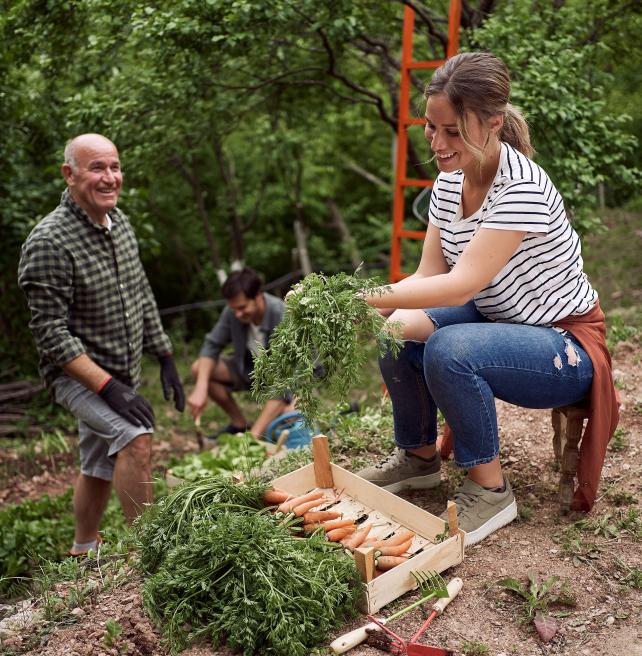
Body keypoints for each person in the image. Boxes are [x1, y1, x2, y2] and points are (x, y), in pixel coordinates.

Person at [357, 52, 619, 546]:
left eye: (452, 131)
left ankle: (492, 490)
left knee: (449, 349)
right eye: (430, 129)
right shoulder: (448, 184)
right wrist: (383, 314)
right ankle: (418, 460)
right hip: (499, 318)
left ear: (494, 123)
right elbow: (429, 275)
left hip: (562, 347)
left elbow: (461, 286)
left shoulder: (520, 188)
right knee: (392, 330)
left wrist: (364, 297)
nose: (437, 143)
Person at [18, 133, 185, 556]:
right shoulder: (49, 242)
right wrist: (108, 388)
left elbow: (140, 292)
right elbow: (51, 334)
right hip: (76, 375)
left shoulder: (121, 224)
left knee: (97, 464)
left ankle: (83, 547)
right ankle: (151, 553)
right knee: (135, 439)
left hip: (122, 369)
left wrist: (164, 354)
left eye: (114, 167)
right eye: (97, 168)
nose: (109, 177)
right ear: (69, 175)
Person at [187, 266, 295, 439]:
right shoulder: (233, 312)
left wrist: (253, 438)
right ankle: (239, 424)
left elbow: (283, 383)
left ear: (258, 296)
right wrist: (201, 388)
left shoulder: (280, 313)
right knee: (199, 368)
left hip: (288, 380)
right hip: (252, 371)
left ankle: (264, 427)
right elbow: (212, 345)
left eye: (242, 307)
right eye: (233, 309)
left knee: (288, 422)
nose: (237, 314)